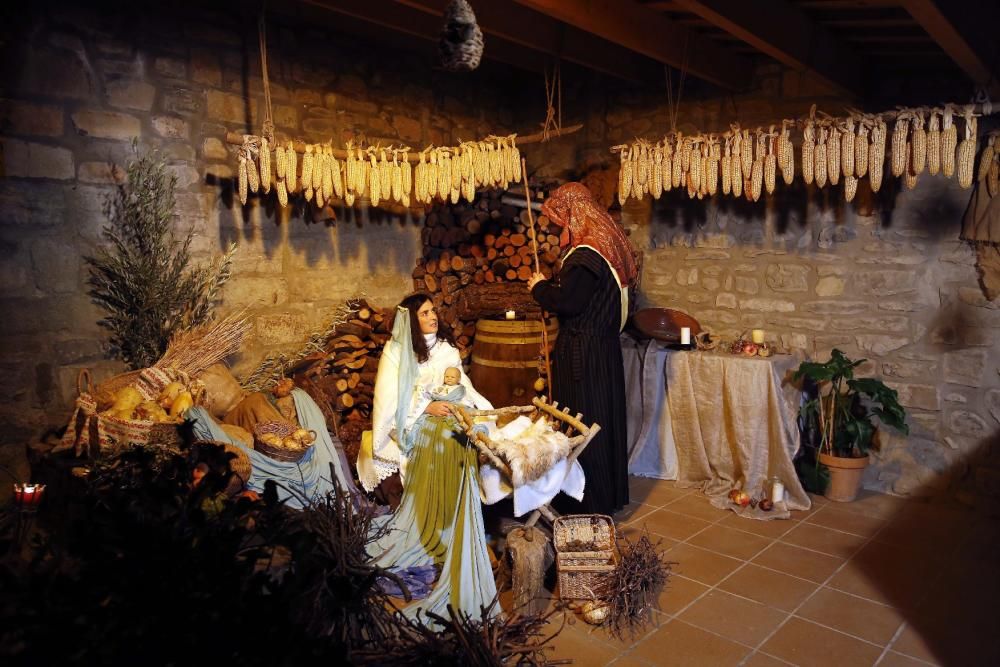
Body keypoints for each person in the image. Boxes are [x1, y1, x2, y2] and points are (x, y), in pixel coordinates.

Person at [356, 293, 496, 625]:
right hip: (409, 424)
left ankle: (459, 517)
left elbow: (461, 384)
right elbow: (392, 404)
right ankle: (443, 525)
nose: (433, 316)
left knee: (461, 438)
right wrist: (425, 407)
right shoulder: (396, 352)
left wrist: (465, 403)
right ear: (411, 320)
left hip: (447, 416)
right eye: (425, 313)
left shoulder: (446, 349)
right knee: (441, 442)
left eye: (433, 310)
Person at [527, 182, 639, 515]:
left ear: (574, 214)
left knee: (583, 424)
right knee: (600, 419)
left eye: (560, 218)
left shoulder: (588, 254)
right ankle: (605, 496)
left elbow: (570, 302)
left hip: (583, 354)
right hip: (600, 350)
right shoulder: (606, 247)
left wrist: (539, 288)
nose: (556, 226)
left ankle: (586, 500)